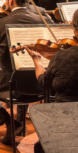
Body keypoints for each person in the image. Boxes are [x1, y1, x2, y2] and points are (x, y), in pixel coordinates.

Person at [0, 0, 44, 145]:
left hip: (11, 87)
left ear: (10, 1)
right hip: (41, 84)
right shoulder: (44, 20)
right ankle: (16, 125)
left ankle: (10, 122)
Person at [24, 9, 78, 153]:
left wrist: (37, 60)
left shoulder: (63, 56)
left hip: (67, 121)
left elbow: (44, 82)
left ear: (74, 29)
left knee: (40, 147)